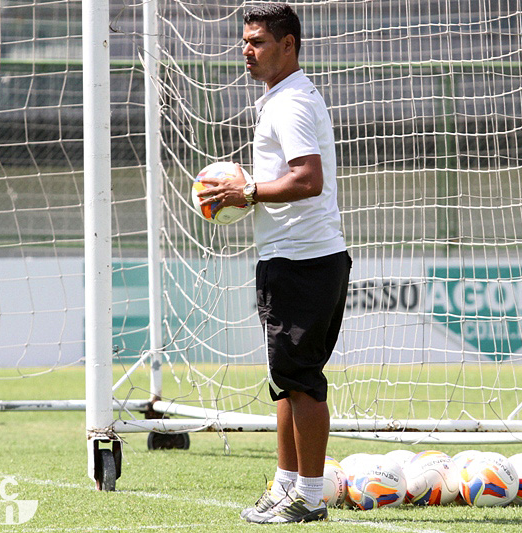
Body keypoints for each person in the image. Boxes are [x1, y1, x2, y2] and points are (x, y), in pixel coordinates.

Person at [195, 2, 351, 524]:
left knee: (301, 380)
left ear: (289, 45)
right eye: (246, 40)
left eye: (258, 41)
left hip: (305, 260)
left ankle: (309, 497)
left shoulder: (291, 104)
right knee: (286, 377)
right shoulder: (281, 98)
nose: (247, 49)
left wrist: (249, 192)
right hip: (292, 257)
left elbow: (309, 179)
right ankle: (286, 486)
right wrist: (250, 192)